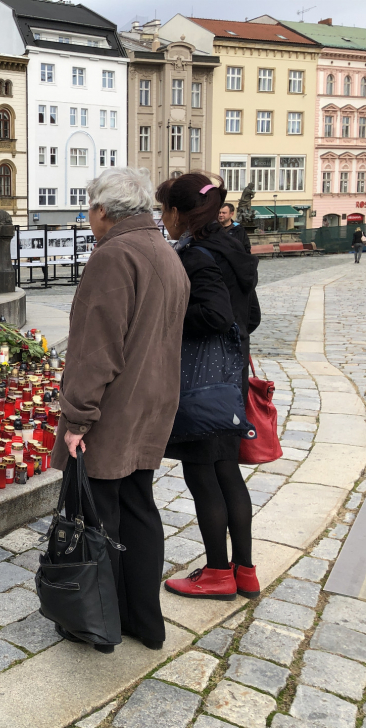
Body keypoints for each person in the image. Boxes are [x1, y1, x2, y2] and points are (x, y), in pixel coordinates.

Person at [51, 167, 190, 652]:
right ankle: (144, 621)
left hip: (115, 409)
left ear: (103, 211)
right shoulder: (164, 252)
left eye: (89, 209)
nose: (89, 219)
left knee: (99, 520)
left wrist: (77, 418)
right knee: (139, 511)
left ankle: (99, 623)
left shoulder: (114, 255)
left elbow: (96, 350)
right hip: (152, 402)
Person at [156, 173, 262, 601]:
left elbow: (215, 316)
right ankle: (245, 570)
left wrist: (170, 323)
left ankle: (218, 572)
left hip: (202, 383)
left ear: (179, 213)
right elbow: (248, 317)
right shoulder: (232, 247)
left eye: (164, 210)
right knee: (227, 471)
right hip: (228, 378)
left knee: (203, 473)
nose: (163, 218)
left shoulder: (197, 255)